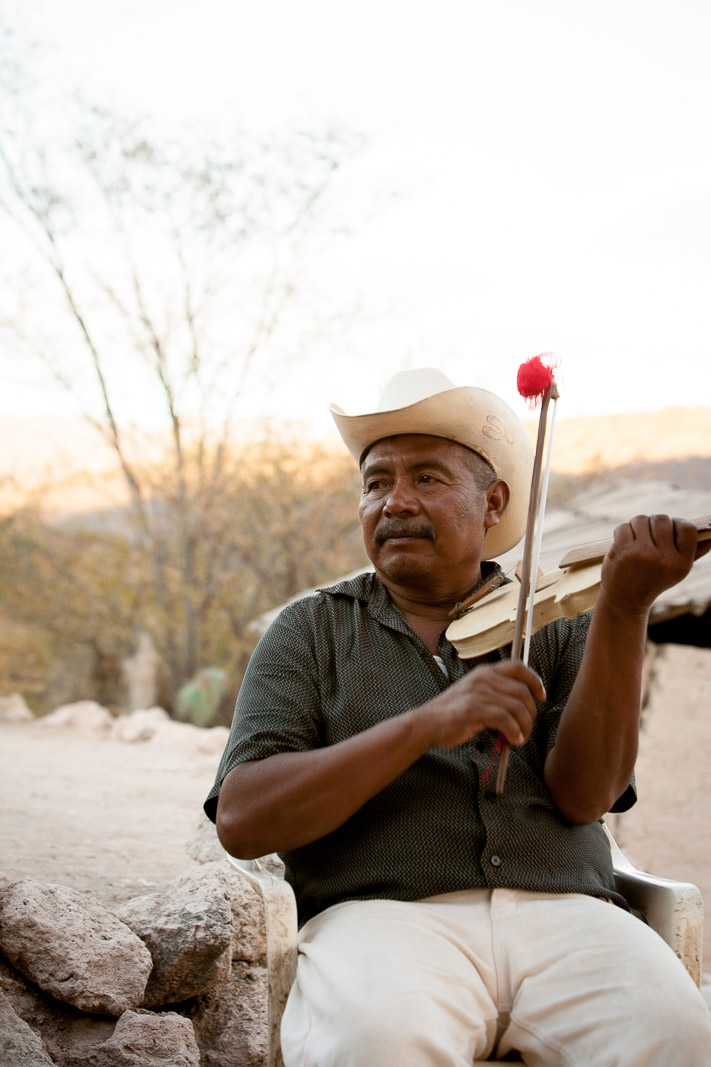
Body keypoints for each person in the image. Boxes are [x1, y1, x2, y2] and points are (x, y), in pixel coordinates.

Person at [205, 368, 711, 1066]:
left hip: (568, 914)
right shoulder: (309, 630)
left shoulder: (557, 624)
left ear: (492, 501)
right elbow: (243, 818)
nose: (394, 502)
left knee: (678, 1032)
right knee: (374, 1042)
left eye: (427, 478)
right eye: (375, 482)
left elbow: (584, 795)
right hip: (382, 919)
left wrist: (622, 608)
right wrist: (424, 724)